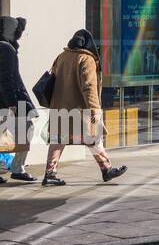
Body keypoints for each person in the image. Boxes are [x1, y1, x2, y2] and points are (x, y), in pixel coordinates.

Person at [43, 29, 127, 186]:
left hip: (59, 106)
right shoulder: (86, 59)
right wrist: (94, 110)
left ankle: (50, 173)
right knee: (93, 138)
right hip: (79, 109)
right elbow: (88, 87)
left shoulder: (61, 57)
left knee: (58, 140)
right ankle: (106, 169)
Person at [0, 16, 38, 183]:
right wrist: (12, 103)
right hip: (12, 99)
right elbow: (7, 79)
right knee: (27, 128)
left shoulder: (6, 47)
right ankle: (17, 167)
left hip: (9, 98)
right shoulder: (6, 49)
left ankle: (16, 167)